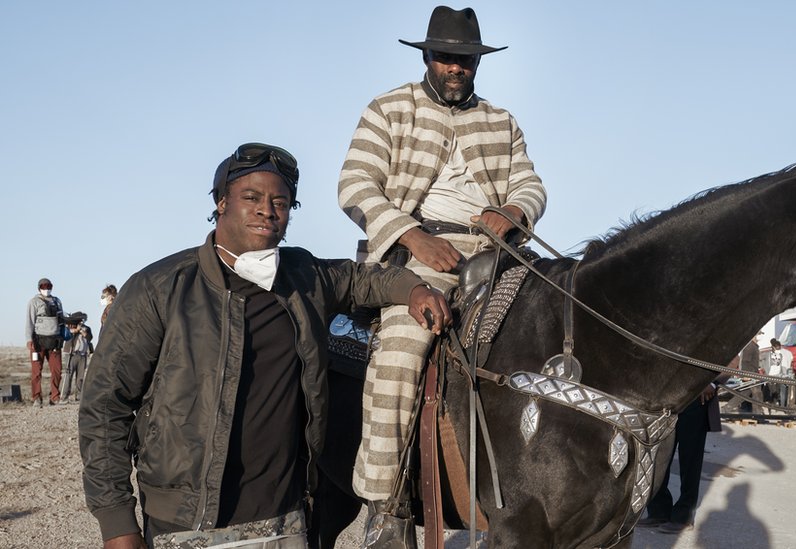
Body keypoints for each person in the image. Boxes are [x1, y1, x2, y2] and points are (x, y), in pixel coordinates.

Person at [78, 143, 450, 549]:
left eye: (281, 202)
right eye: (251, 198)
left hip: (285, 521)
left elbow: (365, 279)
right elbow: (104, 408)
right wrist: (117, 525)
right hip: (184, 526)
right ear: (221, 203)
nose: (267, 210)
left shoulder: (302, 276)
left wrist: (414, 288)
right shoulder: (159, 288)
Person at [337, 4, 547, 521]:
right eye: (448, 58)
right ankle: (384, 507)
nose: (457, 68)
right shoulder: (389, 109)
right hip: (416, 255)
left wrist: (514, 211)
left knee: (559, 325)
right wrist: (413, 237)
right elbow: (354, 186)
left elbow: (530, 184)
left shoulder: (501, 122)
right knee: (402, 353)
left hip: (498, 257)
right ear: (429, 56)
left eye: (467, 60)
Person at [639, 377, 726, 534]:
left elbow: (733, 360)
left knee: (690, 460)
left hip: (695, 400)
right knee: (659, 458)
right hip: (666, 400)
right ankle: (659, 511)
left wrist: (712, 383)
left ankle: (683, 516)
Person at [25, 277, 65, 406]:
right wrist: (29, 339)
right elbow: (29, 321)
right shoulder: (34, 302)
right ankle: (36, 397)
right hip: (38, 341)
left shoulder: (57, 301)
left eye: (49, 286)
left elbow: (61, 320)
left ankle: (54, 397)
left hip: (54, 341)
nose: (46, 289)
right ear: (39, 288)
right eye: (43, 286)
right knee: (36, 372)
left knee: (57, 370)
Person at [60, 311, 93, 402]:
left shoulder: (87, 328)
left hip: (82, 355)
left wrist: (84, 333)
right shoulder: (69, 326)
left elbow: (90, 338)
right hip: (71, 354)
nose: (82, 322)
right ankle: (64, 396)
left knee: (80, 377)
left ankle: (79, 396)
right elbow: (66, 336)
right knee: (68, 376)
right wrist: (75, 331)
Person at [768, 338, 795, 408]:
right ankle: (786, 405)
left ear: (774, 346)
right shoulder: (788, 352)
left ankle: (779, 405)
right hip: (788, 372)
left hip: (780, 374)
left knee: (779, 391)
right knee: (787, 391)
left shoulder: (777, 354)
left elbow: (775, 366)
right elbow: (791, 361)